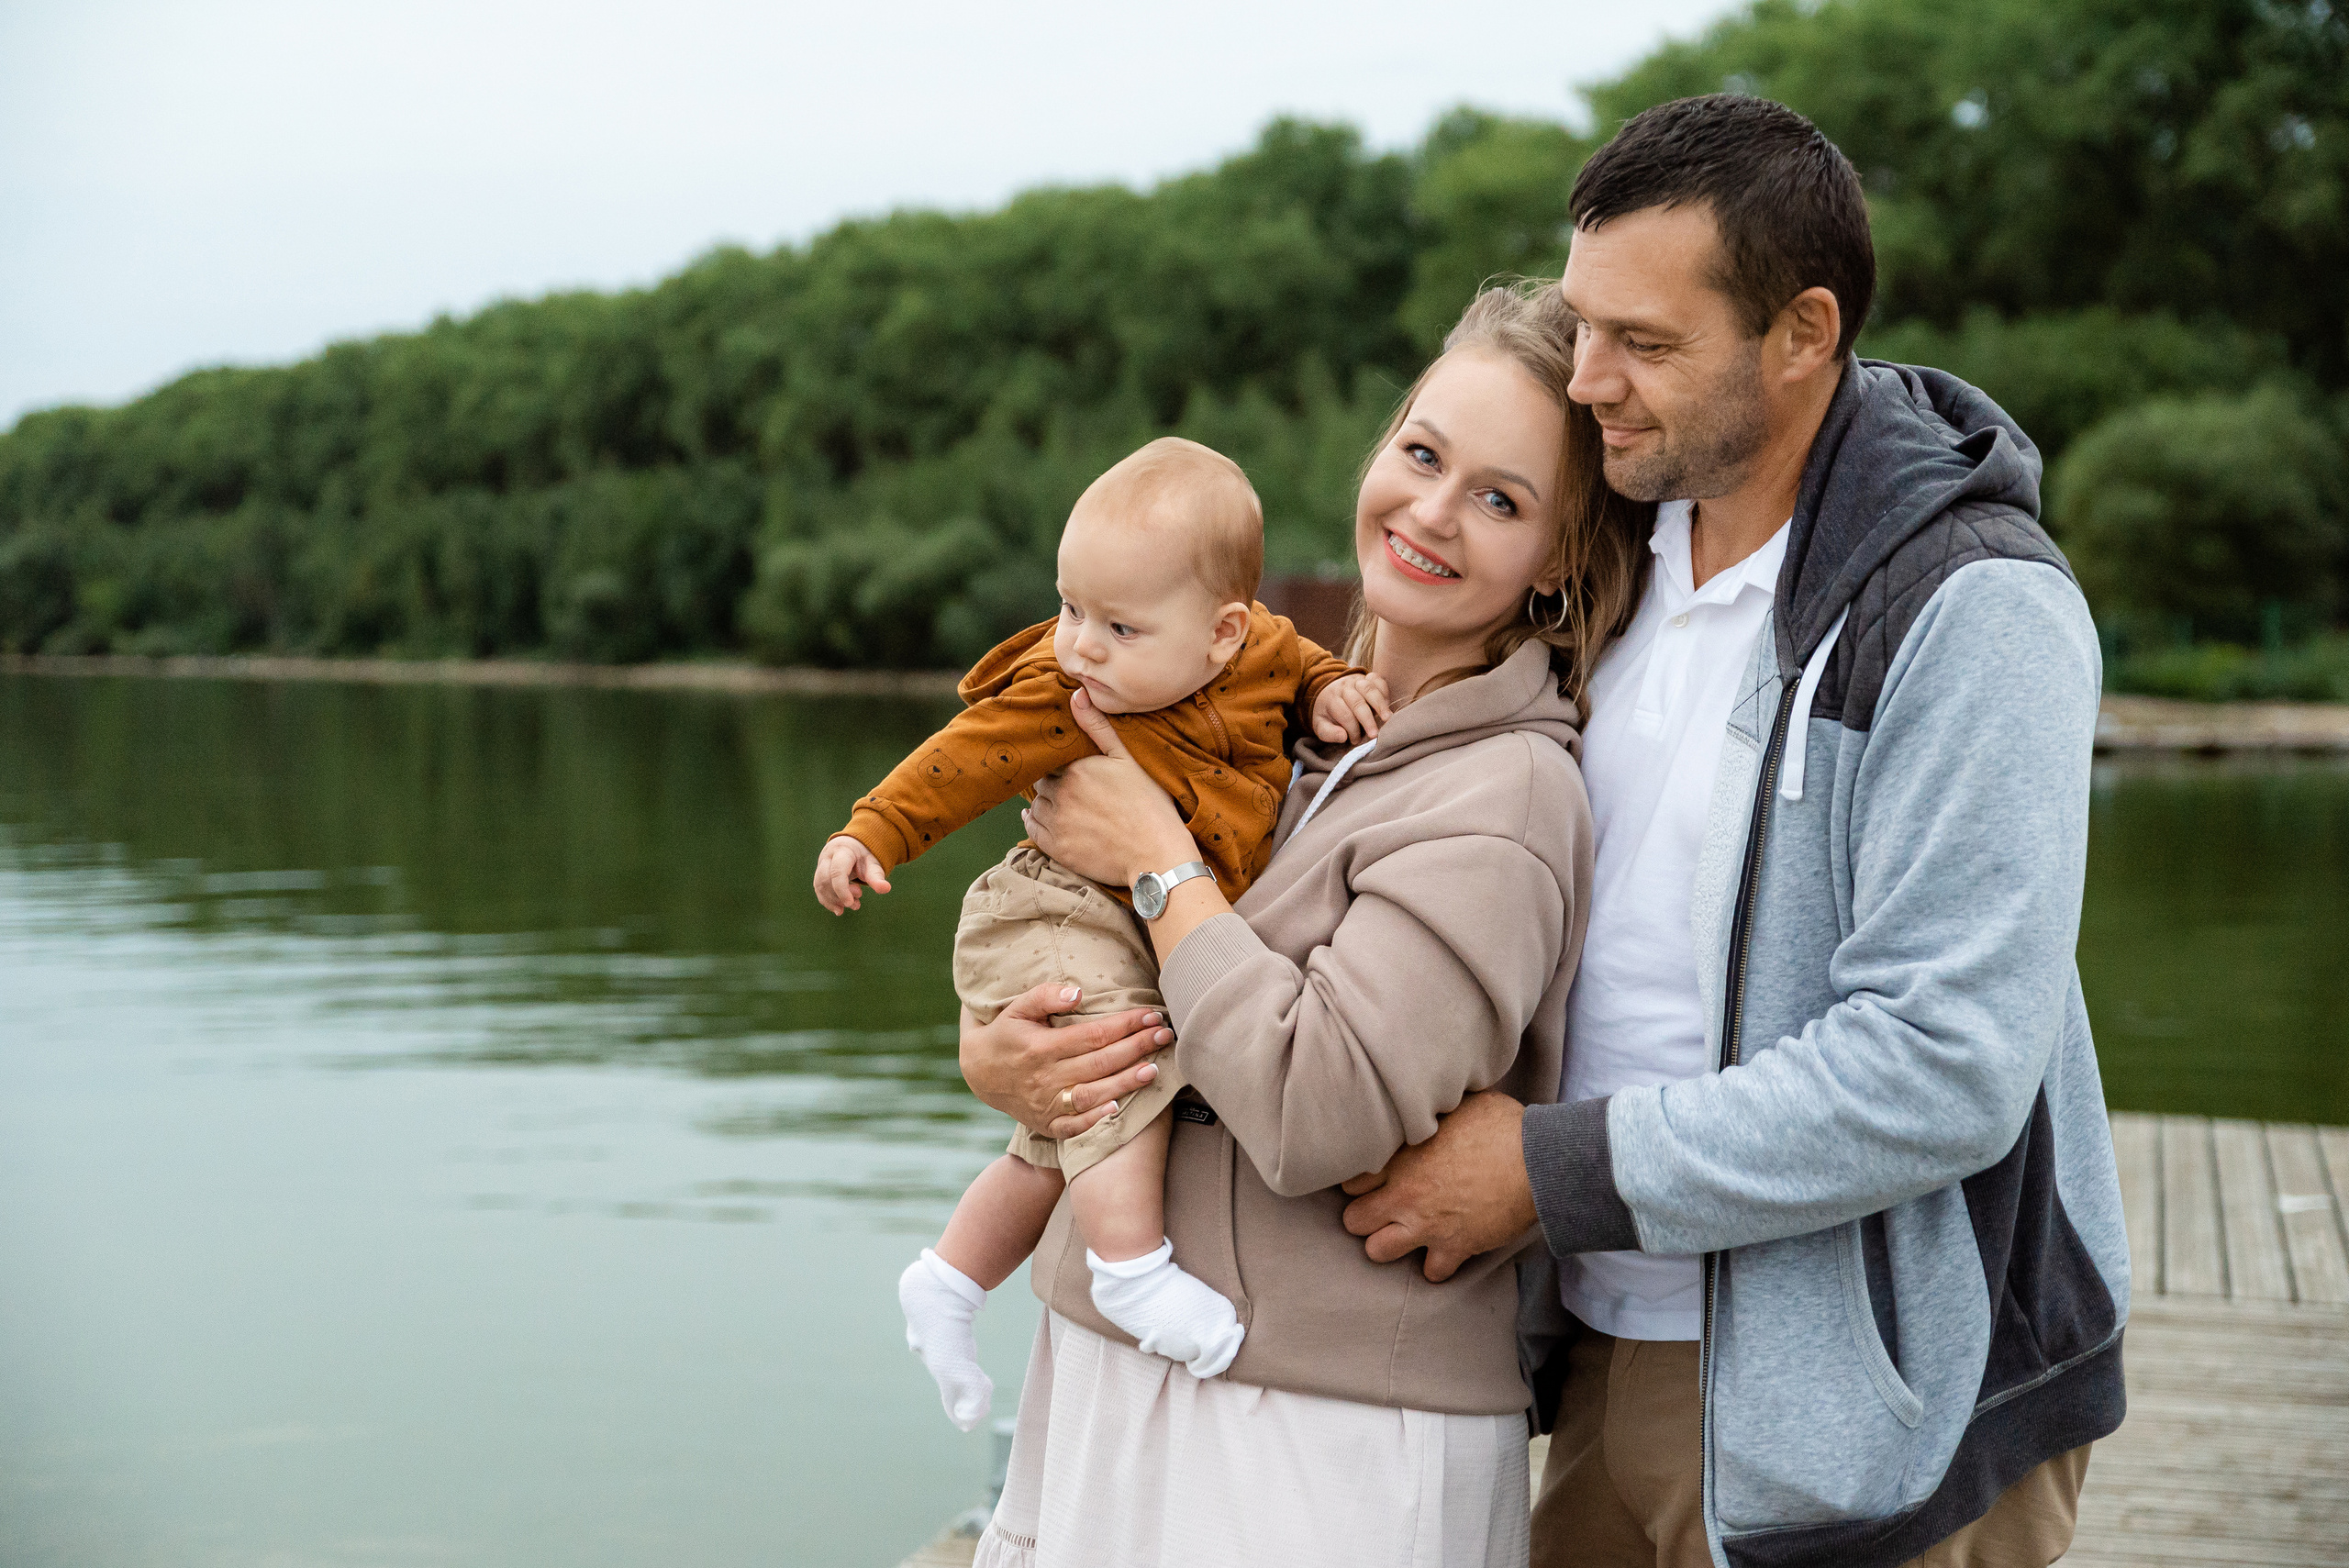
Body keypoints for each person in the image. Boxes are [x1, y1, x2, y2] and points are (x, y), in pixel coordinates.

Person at [1337, 95, 2125, 1568]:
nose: (1589, 379)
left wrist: (1548, 1169)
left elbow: (1944, 1061)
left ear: (1803, 332)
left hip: (1873, 1405)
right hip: (1596, 1339)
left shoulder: (1975, 607)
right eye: (1583, 325)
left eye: (1644, 342)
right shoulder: (1601, 549)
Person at [958, 283, 1648, 1566]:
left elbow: (1313, 1104)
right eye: (1422, 454)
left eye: (1500, 499)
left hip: (1325, 1434)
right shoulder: (1256, 716)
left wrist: (1157, 859)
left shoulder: (1508, 793)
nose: (1431, 511)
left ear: (1559, 555)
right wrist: (1012, 1054)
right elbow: (1099, 963)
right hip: (1112, 1369)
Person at [814, 437, 1389, 1429]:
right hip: (1057, 906)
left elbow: (1302, 664)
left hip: (1136, 914)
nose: (1080, 644)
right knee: (1119, 1078)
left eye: (1119, 625)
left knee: (1059, 1131)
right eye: (1070, 607)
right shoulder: (1066, 692)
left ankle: (949, 1279)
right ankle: (1129, 1270)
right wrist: (870, 831)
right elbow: (959, 762)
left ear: (1223, 632)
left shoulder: (1266, 650)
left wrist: (1332, 684)